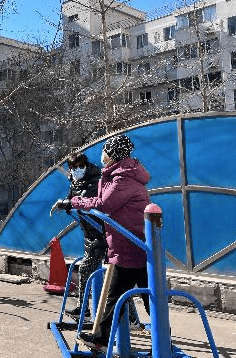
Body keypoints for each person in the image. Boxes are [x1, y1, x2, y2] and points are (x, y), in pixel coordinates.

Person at [70, 135, 151, 352]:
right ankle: (104, 339)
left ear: (113, 153)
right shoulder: (118, 174)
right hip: (128, 243)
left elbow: (104, 204)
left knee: (119, 296)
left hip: (129, 244)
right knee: (134, 296)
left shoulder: (123, 178)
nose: (102, 154)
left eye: (105, 150)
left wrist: (76, 202)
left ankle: (102, 340)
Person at [53, 153, 142, 328]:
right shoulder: (76, 182)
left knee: (112, 278)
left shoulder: (95, 181)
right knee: (105, 276)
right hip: (91, 235)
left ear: (86, 166)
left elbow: (89, 201)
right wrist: (67, 204)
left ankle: (129, 318)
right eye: (73, 167)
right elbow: (73, 199)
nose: (77, 170)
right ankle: (87, 311)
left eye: (80, 166)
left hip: (103, 236)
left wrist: (67, 203)